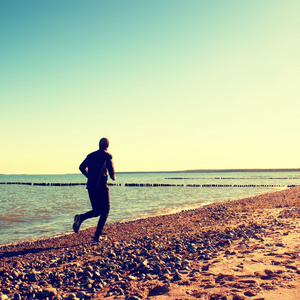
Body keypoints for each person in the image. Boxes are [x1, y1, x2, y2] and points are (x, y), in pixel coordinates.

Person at [73, 137, 116, 242]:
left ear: (99, 145)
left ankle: (81, 218)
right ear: (107, 146)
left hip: (91, 187)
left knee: (97, 211)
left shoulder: (90, 155)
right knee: (105, 210)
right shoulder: (107, 155)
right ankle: (96, 237)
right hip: (101, 186)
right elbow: (112, 172)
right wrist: (113, 176)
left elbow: (81, 167)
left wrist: (89, 176)